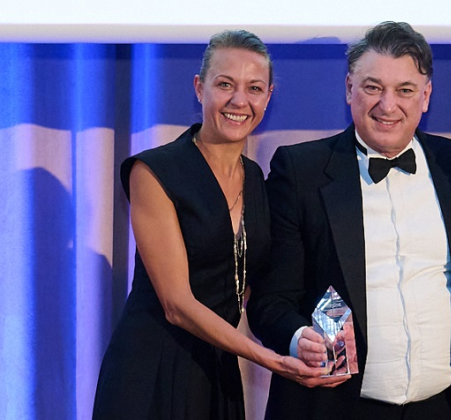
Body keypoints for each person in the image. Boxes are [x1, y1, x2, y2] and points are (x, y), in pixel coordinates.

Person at [247, 21, 451, 420]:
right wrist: (298, 339)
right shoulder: (301, 171)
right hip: (337, 407)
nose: (388, 105)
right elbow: (271, 301)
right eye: (373, 87)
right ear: (349, 89)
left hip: (446, 407)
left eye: (405, 90)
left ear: (426, 96)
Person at [92, 30, 345, 420]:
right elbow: (176, 305)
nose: (239, 101)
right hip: (151, 369)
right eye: (225, 84)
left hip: (217, 369)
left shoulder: (256, 179)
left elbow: (264, 284)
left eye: (254, 88)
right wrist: (270, 360)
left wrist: (315, 332)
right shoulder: (154, 170)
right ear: (200, 88)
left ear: (268, 97)